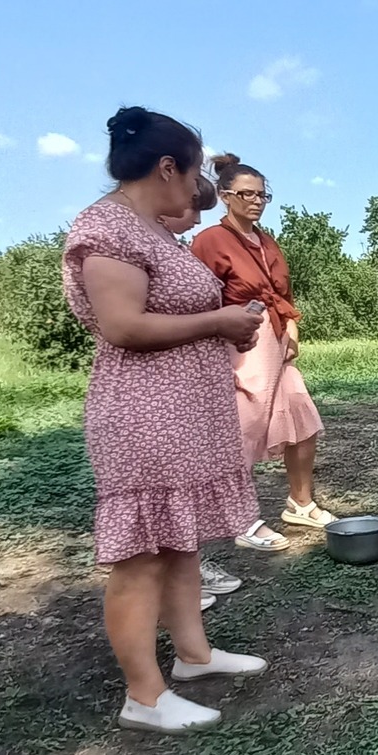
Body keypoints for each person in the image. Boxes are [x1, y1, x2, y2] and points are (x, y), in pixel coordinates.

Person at [63, 108, 269, 733]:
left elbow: (200, 197)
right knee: (143, 557)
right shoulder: (108, 229)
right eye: (192, 169)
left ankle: (193, 656)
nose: (201, 186)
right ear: (165, 167)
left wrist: (218, 166)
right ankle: (144, 696)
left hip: (182, 412)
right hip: (143, 415)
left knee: (180, 542)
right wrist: (219, 322)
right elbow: (123, 326)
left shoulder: (150, 224)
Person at [190, 155, 334, 550]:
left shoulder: (267, 241)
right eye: (246, 194)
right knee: (244, 428)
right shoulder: (210, 241)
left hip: (277, 341)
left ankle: (300, 503)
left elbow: (283, 295)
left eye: (262, 195)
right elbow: (198, 300)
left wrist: (292, 328)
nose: (256, 201)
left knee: (302, 416)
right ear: (225, 196)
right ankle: (240, 519)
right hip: (241, 347)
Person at [158, 179, 241, 610]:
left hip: (192, 385)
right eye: (192, 208)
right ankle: (175, 584)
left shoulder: (170, 246)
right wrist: (218, 323)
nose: (195, 220)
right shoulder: (122, 236)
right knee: (168, 494)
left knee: (186, 488)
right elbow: (125, 325)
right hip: (158, 393)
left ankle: (187, 578)